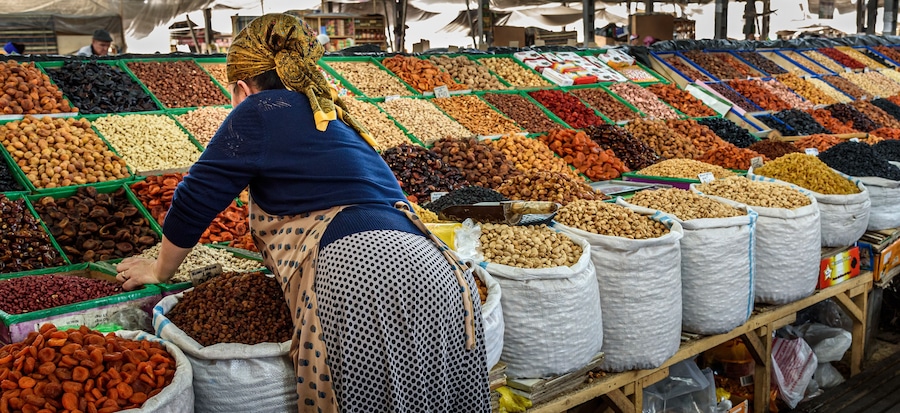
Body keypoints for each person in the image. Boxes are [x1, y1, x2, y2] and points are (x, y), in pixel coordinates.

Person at [115, 13, 490, 413]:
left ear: (243, 87)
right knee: (435, 399)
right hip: (437, 268)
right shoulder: (336, 119)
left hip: (360, 271)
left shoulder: (259, 108)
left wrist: (160, 270)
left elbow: (196, 197)